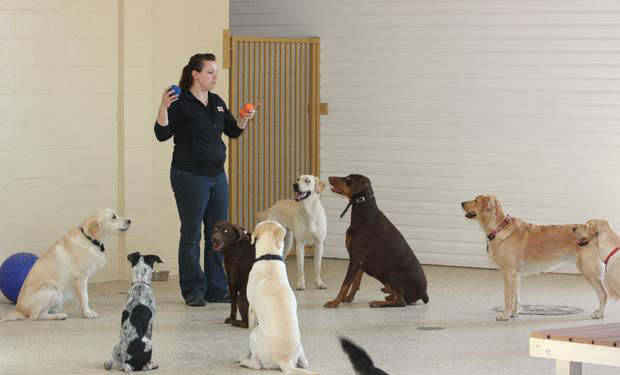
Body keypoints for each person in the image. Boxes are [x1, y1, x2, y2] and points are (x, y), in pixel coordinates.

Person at [154, 53, 256, 306]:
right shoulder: (179, 102)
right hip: (189, 177)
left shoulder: (217, 102)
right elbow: (162, 134)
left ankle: (216, 287)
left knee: (220, 233)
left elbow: (233, 131)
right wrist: (163, 107)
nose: (215, 77)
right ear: (195, 74)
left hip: (217, 177)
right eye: (210, 72)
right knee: (191, 234)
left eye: (216, 72)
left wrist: (244, 118)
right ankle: (193, 290)